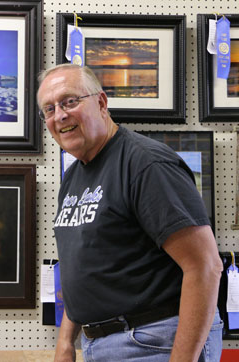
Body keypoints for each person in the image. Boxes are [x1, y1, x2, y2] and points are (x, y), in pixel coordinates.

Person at [37, 64, 223, 362]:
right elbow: (85, 269)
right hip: (101, 343)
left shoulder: (146, 164)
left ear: (101, 102)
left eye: (70, 101)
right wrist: (65, 341)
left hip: (153, 342)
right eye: (49, 108)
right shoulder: (74, 176)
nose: (59, 115)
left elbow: (206, 266)